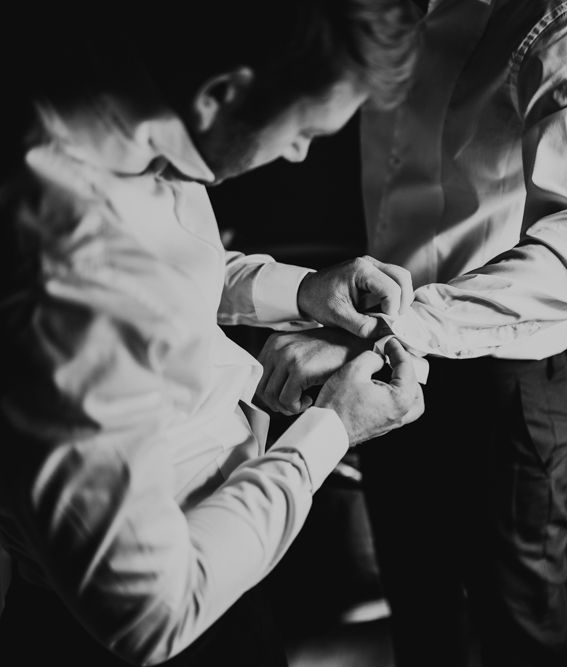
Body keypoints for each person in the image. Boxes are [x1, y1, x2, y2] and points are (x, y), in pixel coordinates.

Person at [0, 4, 422, 666]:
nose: (299, 153)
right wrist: (331, 429)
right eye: (303, 131)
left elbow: (155, 268)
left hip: (228, 546)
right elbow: (152, 615)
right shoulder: (68, 276)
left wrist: (303, 289)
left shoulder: (115, 101)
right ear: (220, 94)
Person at [255, 0, 567, 665]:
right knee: (419, 609)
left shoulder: (564, 22)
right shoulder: (376, 13)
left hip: (506, 385)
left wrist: (393, 326)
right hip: (376, 367)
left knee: (524, 628)